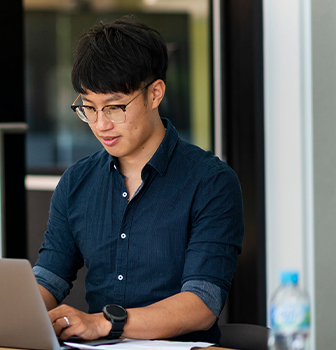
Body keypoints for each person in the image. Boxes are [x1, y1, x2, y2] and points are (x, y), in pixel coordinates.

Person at [33, 16, 244, 344]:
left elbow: (202, 303)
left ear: (155, 93)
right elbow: (49, 278)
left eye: (114, 108)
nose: (101, 124)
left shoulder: (212, 183)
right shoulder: (76, 182)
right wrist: (7, 313)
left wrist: (105, 324)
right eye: (88, 108)